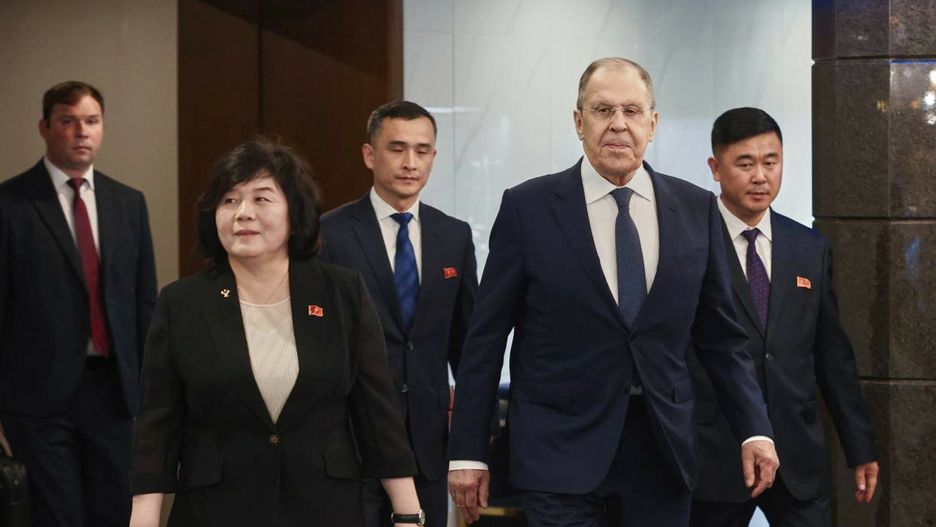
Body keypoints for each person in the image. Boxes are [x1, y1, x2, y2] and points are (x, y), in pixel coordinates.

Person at [446, 57, 780, 526]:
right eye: (603, 110)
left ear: (653, 123)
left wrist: (754, 429)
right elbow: (484, 339)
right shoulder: (528, 208)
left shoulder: (695, 209)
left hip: (664, 450)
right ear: (579, 122)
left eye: (632, 111)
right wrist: (467, 451)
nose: (618, 125)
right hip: (558, 450)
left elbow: (722, 339)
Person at [129, 138, 425, 526]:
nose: (243, 214)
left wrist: (407, 513)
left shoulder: (341, 292)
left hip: (323, 508)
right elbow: (157, 427)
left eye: (261, 199)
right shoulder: (182, 303)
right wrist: (143, 519)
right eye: (229, 200)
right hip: (217, 510)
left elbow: (377, 411)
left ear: (293, 212)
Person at [689, 107, 879, 527]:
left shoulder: (809, 247)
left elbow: (832, 356)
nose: (760, 176)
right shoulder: (691, 244)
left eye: (770, 162)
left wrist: (859, 446)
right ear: (715, 168)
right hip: (717, 452)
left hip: (798, 455)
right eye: (745, 163)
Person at [0, 81, 157, 526]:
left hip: (114, 392)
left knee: (116, 511)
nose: (81, 132)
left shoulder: (129, 203)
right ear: (45, 128)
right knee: (59, 515)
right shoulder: (10, 205)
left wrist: (153, 391)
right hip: (37, 396)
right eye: (68, 122)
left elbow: (144, 305)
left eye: (91, 121)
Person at [319, 100, 477, 527]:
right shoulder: (330, 233)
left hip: (427, 444)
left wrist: (470, 446)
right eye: (397, 149)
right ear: (370, 154)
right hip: (351, 443)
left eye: (422, 151)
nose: (411, 162)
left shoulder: (454, 237)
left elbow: (467, 349)